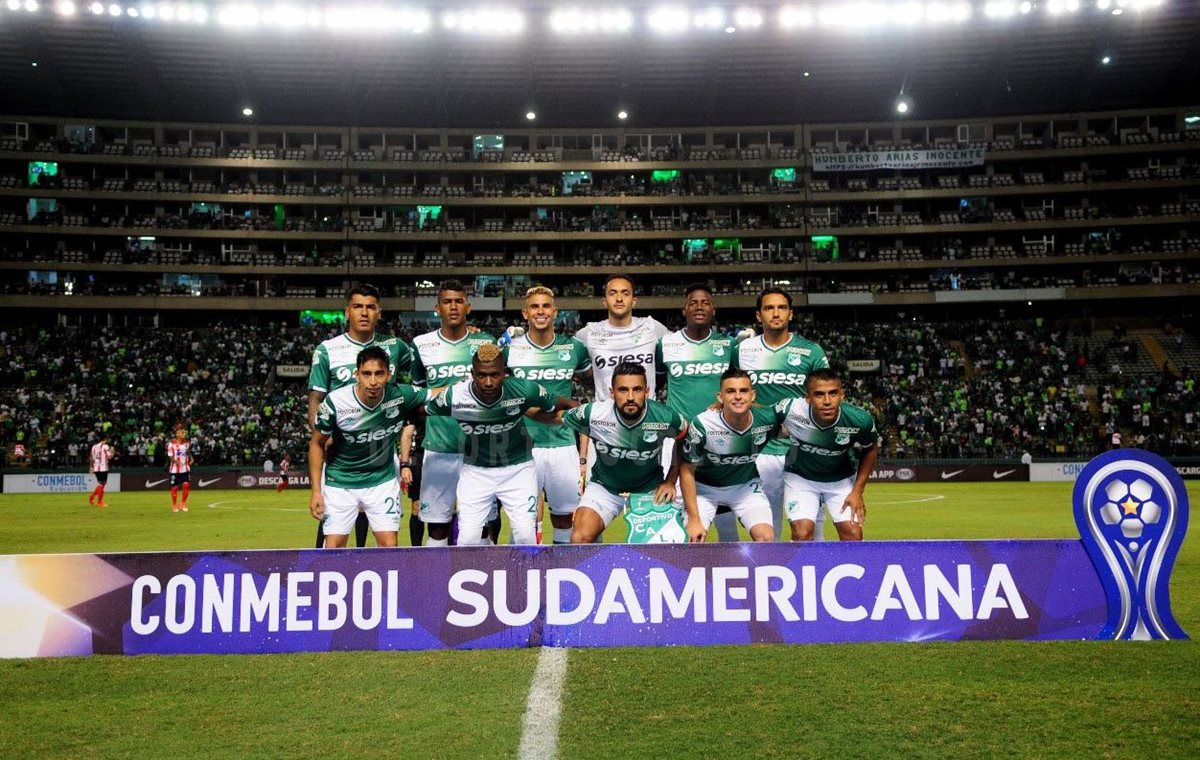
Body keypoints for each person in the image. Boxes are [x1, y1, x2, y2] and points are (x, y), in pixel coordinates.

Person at [426, 343, 578, 545]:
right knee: (468, 539)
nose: (488, 382)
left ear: (504, 373)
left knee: (525, 535)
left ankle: (522, 576)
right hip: (475, 471)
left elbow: (564, 404)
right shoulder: (455, 395)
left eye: (495, 375)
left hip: (518, 469)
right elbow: (423, 409)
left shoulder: (523, 389)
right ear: (472, 373)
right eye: (481, 375)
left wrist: (575, 415)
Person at [308, 282, 414, 548]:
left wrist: (470, 338)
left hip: (380, 457)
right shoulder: (327, 350)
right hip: (342, 457)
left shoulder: (396, 347)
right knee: (332, 536)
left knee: (385, 538)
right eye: (357, 307)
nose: (364, 313)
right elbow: (316, 399)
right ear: (347, 312)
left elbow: (423, 371)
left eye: (370, 307)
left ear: (379, 312)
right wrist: (322, 436)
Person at [733, 287, 829, 539]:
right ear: (758, 315)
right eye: (769, 308)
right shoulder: (742, 350)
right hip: (761, 451)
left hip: (803, 451)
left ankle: (814, 574)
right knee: (767, 528)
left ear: (791, 314)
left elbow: (825, 397)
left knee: (811, 528)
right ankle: (772, 576)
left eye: (781, 307)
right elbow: (733, 393)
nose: (775, 313)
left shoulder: (811, 351)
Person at [309, 347, 427, 549]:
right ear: (357, 375)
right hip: (340, 481)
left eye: (379, 374)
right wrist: (316, 492)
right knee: (333, 548)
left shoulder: (399, 395)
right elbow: (316, 444)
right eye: (367, 374)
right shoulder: (336, 402)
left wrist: (468, 384)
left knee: (389, 547)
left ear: (388, 374)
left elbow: (438, 394)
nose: (373, 381)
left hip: (382, 480)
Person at [410, 280, 497, 546]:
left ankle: (486, 582)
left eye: (459, 301)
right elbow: (417, 399)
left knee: (481, 527)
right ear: (437, 308)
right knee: (436, 529)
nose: (453, 306)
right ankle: (435, 585)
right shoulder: (421, 345)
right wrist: (451, 391)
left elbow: (498, 391)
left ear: (468, 307)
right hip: (439, 448)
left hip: (480, 451)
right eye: (447, 301)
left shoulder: (486, 343)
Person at [502, 286, 591, 544]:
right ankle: (521, 576)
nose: (540, 311)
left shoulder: (574, 349)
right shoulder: (511, 350)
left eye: (545, 306)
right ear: (525, 313)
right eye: (534, 307)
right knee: (523, 520)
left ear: (554, 312)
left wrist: (578, 411)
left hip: (562, 445)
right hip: (522, 446)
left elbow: (588, 382)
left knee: (565, 518)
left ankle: (559, 573)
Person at [564, 362, 688, 544]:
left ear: (646, 391)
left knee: (661, 545)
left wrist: (670, 480)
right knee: (579, 537)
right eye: (623, 390)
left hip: (649, 489)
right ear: (611, 392)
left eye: (636, 389)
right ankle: (597, 571)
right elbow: (558, 416)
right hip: (605, 487)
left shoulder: (666, 417)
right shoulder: (594, 413)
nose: (630, 397)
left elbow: (685, 437)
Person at [655, 283, 739, 540]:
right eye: (693, 302)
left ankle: (733, 568)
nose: (699, 307)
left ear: (713, 309)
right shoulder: (666, 344)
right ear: (684, 309)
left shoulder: (728, 346)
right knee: (674, 508)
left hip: (719, 438)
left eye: (705, 302)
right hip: (679, 439)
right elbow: (658, 383)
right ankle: (682, 568)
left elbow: (736, 386)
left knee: (725, 513)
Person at [777, 368, 879, 542]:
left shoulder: (859, 419)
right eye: (819, 395)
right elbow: (760, 416)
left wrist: (857, 490)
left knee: (853, 535)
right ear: (807, 398)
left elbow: (870, 448)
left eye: (833, 393)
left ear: (842, 395)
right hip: (800, 478)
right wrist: (725, 407)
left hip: (840, 480)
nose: (827, 401)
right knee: (802, 534)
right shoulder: (789, 410)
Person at [679, 369, 777, 542]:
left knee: (766, 538)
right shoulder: (703, 423)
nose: (738, 396)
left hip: (745, 487)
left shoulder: (768, 419)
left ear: (752, 395)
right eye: (731, 391)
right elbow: (687, 469)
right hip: (704, 489)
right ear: (720, 397)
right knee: (693, 539)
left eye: (744, 391)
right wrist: (694, 520)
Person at [575, 274, 668, 403]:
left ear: (634, 301)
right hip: (605, 418)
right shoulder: (587, 334)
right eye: (612, 293)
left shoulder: (653, 328)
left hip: (646, 416)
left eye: (625, 293)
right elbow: (577, 371)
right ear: (604, 301)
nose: (619, 298)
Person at [167, 425, 193, 513]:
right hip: (174, 469)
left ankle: (183, 503)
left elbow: (187, 452)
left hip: (185, 469)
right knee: (174, 487)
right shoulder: (171, 444)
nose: (184, 434)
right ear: (177, 434)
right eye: (182, 432)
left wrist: (191, 459)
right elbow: (170, 456)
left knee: (186, 485)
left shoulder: (187, 443)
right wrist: (175, 461)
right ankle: (174, 505)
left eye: (184, 432)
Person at [88, 432, 115, 508]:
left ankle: (92, 496)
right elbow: (109, 457)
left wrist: (91, 467)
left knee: (101, 484)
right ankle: (99, 502)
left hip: (96, 468)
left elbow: (91, 458)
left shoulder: (93, 447)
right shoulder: (105, 446)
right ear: (105, 438)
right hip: (103, 468)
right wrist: (113, 451)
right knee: (102, 484)